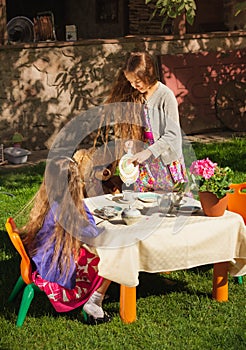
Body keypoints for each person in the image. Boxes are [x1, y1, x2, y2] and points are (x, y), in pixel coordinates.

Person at [20, 155, 111, 324]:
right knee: (109, 260)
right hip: (56, 270)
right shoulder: (69, 210)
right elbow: (93, 233)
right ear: (77, 184)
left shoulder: (51, 203)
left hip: (42, 260)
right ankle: (95, 302)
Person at [105, 51, 187, 192]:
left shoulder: (165, 96)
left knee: (167, 203)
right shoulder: (140, 95)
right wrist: (132, 141)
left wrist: (148, 152)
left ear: (148, 75)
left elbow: (172, 135)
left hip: (164, 160)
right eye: (130, 82)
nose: (134, 86)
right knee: (144, 202)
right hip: (145, 160)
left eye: (137, 82)